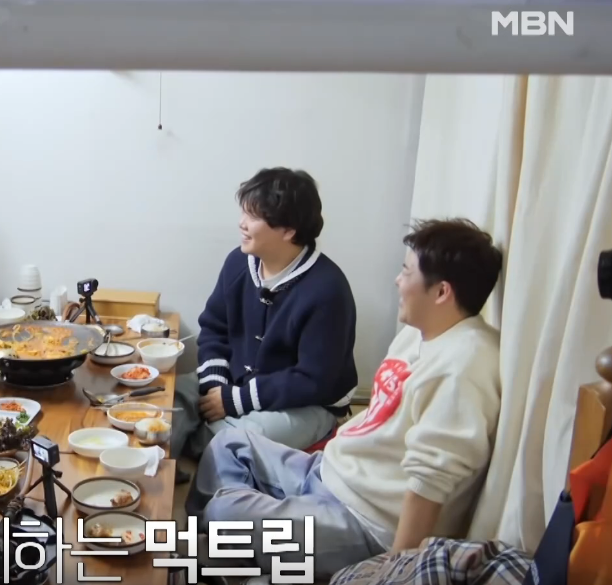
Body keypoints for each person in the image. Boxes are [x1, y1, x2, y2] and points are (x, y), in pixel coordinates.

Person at [184, 218, 504, 581]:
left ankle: (237, 553)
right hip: (329, 471)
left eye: (406, 272)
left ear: (442, 292)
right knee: (227, 444)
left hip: (364, 522)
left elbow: (429, 483)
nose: (397, 281)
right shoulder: (420, 332)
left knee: (225, 512)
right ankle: (236, 553)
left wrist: (393, 570)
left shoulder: (464, 367)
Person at [172, 168, 359, 481]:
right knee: (169, 398)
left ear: (288, 230)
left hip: (305, 405)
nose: (241, 223)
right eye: (243, 212)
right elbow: (214, 327)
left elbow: (314, 380)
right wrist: (216, 386)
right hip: (235, 382)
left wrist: (235, 401)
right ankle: (169, 463)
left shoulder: (328, 290)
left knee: (233, 442)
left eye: (253, 216)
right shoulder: (238, 262)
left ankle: (200, 471)